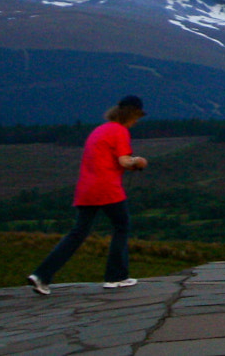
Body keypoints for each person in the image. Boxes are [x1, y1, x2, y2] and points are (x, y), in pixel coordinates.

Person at [28, 95, 149, 294]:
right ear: (132, 115)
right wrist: (138, 161)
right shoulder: (119, 131)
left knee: (77, 233)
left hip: (86, 189)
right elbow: (124, 161)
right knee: (122, 225)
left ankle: (41, 275)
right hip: (107, 188)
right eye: (137, 117)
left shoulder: (99, 130)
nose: (137, 121)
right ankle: (116, 276)